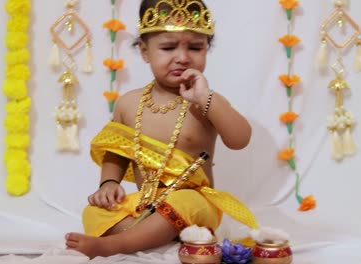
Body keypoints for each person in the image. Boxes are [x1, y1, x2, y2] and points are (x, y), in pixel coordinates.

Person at [65, 0, 257, 259]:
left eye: (196, 47)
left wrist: (206, 99)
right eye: (167, 47)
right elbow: (116, 153)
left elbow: (240, 139)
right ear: (144, 51)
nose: (182, 57)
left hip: (195, 203)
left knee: (184, 201)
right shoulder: (128, 103)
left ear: (207, 50)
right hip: (147, 202)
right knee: (94, 211)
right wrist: (108, 184)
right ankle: (156, 233)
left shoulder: (206, 101)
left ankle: (115, 245)